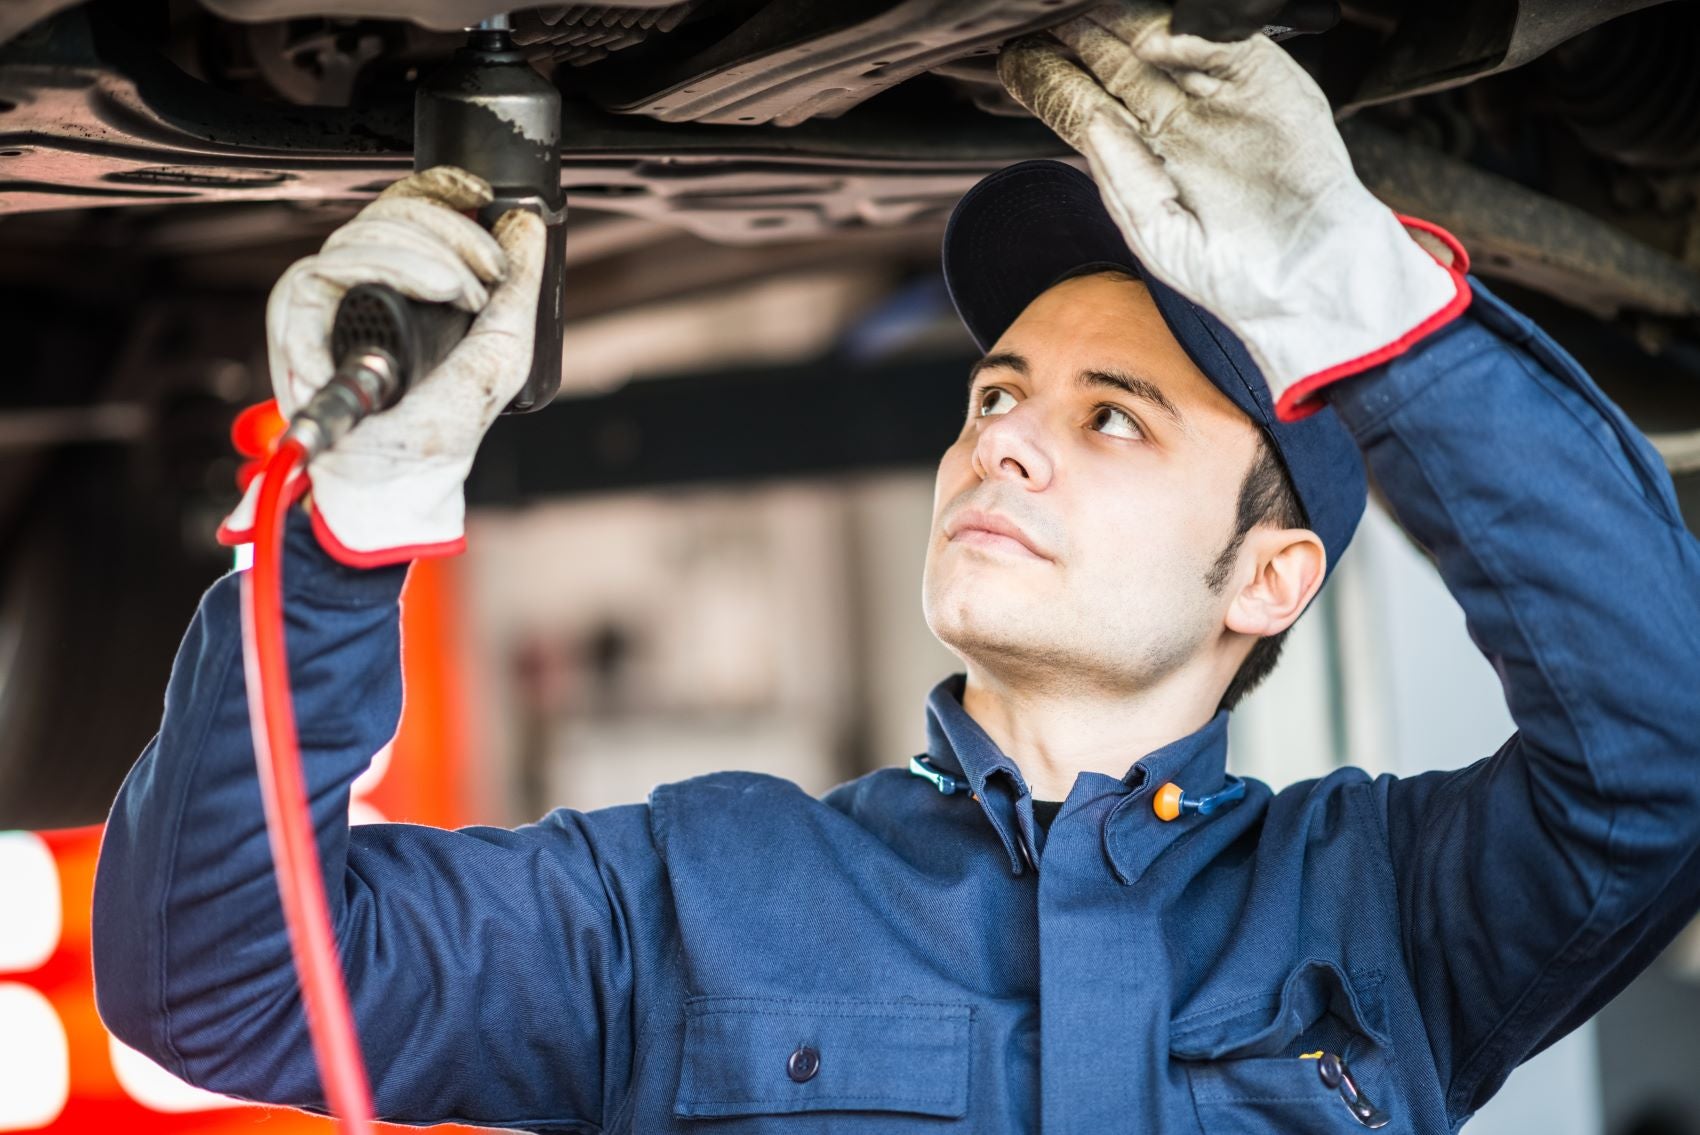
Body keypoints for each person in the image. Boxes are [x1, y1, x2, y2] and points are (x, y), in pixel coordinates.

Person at [92, 4, 1700, 1132]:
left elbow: (1662, 755)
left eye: (1113, 418)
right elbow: (216, 983)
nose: (1004, 441)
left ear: (1268, 579)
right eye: (995, 395)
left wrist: (1363, 301)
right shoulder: (689, 902)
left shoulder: (1389, 916)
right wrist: (349, 528)